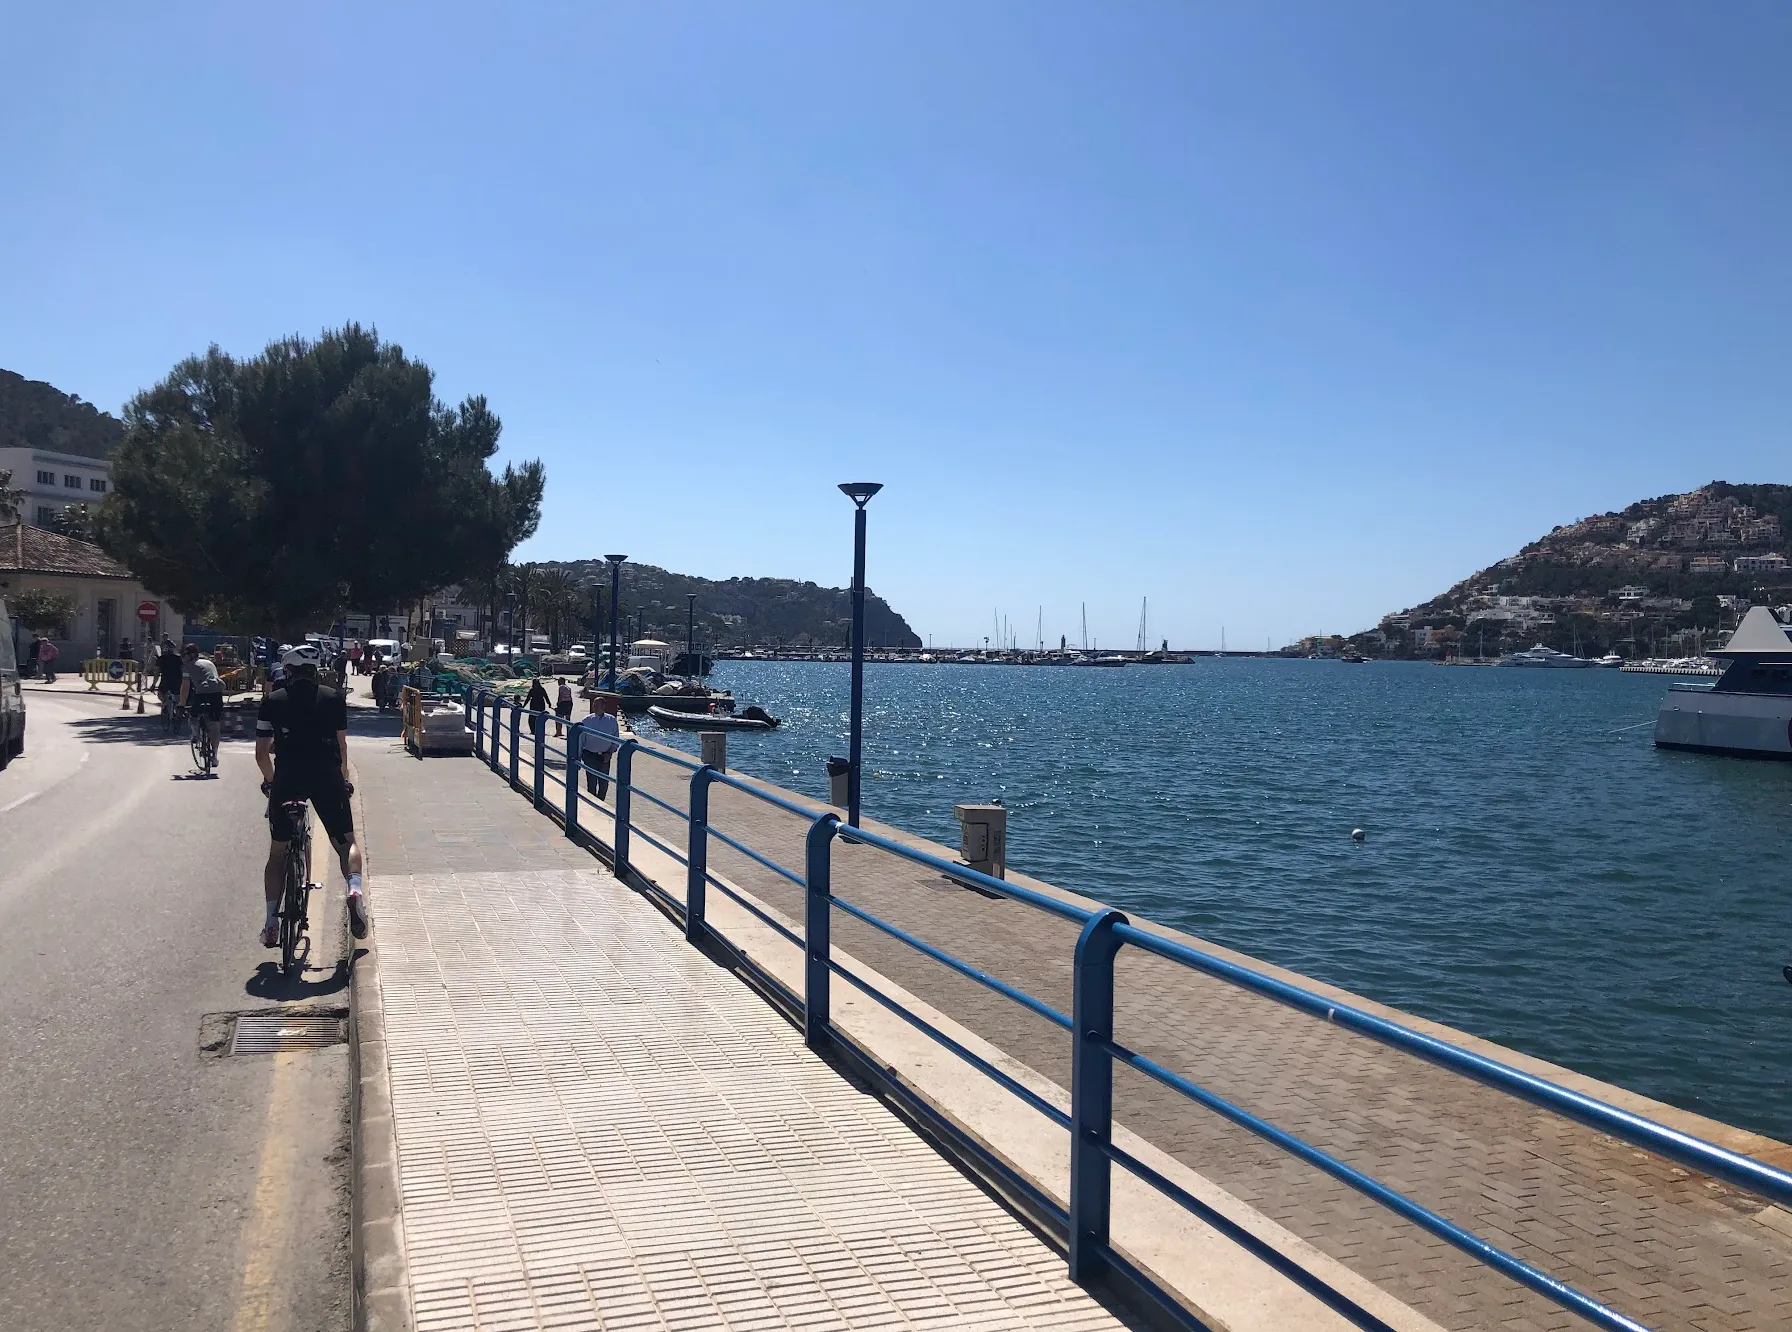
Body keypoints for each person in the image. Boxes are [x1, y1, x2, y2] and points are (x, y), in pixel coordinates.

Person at [256, 643, 368, 945]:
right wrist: (343, 779)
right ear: (315, 671)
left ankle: (270, 922)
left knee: (277, 853)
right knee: (347, 844)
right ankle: (355, 890)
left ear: (288, 671)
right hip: (326, 776)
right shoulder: (333, 699)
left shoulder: (272, 701)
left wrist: (271, 782)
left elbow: (262, 754)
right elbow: (342, 746)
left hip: (288, 779)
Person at [178, 642, 226, 768]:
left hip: (202, 693)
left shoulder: (187, 666)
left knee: (193, 717)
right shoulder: (209, 663)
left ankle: (195, 734)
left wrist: (181, 705)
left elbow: (185, 686)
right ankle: (214, 756)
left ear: (187, 656)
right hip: (217, 693)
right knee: (215, 724)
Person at [580, 695, 621, 798]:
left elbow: (615, 738)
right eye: (594, 705)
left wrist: (610, 752)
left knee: (604, 784)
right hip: (590, 756)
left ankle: (600, 803)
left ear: (603, 706)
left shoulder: (611, 720)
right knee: (592, 783)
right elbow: (581, 740)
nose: (594, 707)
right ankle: (592, 805)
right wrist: (578, 756)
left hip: (604, 757)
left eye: (597, 705)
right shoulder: (586, 720)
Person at [155, 639, 184, 710]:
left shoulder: (161, 659)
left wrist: (153, 684)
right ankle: (177, 714)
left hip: (165, 682)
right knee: (178, 700)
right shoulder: (179, 659)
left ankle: (165, 709)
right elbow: (183, 671)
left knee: (162, 696)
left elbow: (157, 673)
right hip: (177, 682)